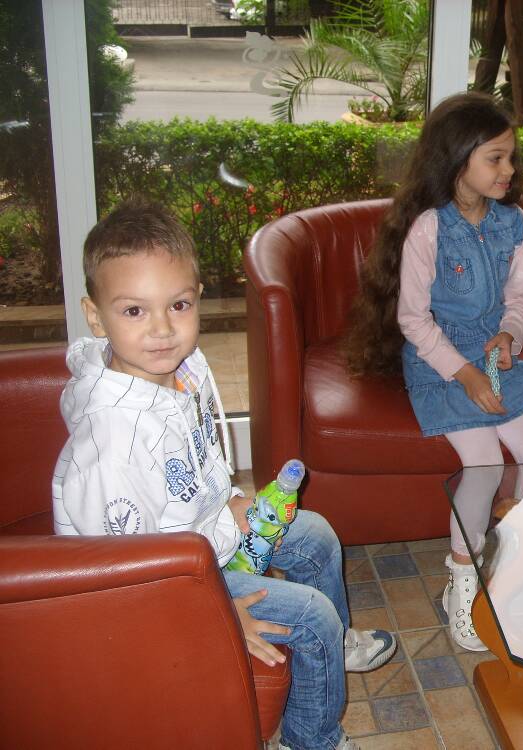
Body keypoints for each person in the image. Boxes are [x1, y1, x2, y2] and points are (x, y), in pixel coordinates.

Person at [51, 200, 395, 750]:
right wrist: (215, 613)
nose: (162, 329)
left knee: (315, 536)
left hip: (204, 536)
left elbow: (200, 457)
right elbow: (121, 575)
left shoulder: (182, 368)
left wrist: (230, 501)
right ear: (95, 317)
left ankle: (333, 646)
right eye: (134, 311)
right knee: (311, 617)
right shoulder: (112, 442)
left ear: (198, 298)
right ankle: (312, 739)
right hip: (170, 585)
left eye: (178, 305)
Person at [344, 92, 523, 651]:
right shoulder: (429, 230)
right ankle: (463, 581)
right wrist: (465, 373)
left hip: (495, 358)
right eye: (495, 158)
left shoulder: (517, 226)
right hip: (442, 363)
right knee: (484, 465)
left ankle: (522, 563)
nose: (509, 170)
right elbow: (413, 319)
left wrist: (509, 335)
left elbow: (521, 299)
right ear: (457, 160)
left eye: (511, 156)